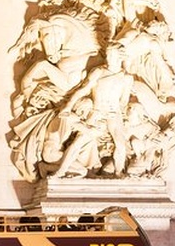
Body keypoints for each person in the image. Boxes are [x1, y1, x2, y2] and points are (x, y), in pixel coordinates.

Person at [49, 43, 134, 179]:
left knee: (120, 144)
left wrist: (118, 110)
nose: (108, 58)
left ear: (120, 56)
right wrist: (68, 106)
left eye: (111, 55)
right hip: (97, 112)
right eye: (108, 55)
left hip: (114, 114)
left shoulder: (127, 78)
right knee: (78, 142)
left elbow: (124, 100)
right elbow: (82, 90)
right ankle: (61, 171)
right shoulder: (98, 72)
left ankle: (118, 173)